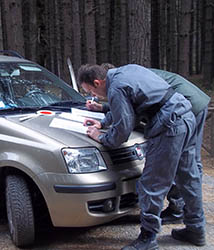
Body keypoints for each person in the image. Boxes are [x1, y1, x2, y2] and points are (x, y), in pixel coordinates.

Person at [78, 64, 205, 250]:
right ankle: (196, 229)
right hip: (185, 114)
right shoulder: (128, 71)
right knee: (188, 176)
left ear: (97, 82)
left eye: (91, 91)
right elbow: (131, 108)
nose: (94, 96)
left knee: (151, 184)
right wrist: (104, 122)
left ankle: (148, 237)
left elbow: (123, 129)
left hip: (169, 124)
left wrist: (101, 137)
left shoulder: (116, 88)